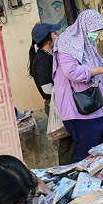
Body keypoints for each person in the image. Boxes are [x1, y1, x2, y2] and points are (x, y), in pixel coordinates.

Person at [53, 10, 103, 161]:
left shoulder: (86, 42)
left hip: (92, 106)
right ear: (84, 27)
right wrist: (101, 70)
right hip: (78, 110)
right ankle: (86, 183)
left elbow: (93, 64)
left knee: (99, 151)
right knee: (87, 154)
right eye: (94, 30)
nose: (95, 34)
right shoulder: (67, 42)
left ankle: (98, 183)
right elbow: (71, 72)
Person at [29, 22, 75, 165]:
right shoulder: (42, 60)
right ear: (47, 40)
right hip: (56, 105)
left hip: (61, 102)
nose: (57, 35)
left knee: (72, 141)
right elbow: (47, 88)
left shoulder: (50, 55)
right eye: (54, 33)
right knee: (66, 143)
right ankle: (67, 173)